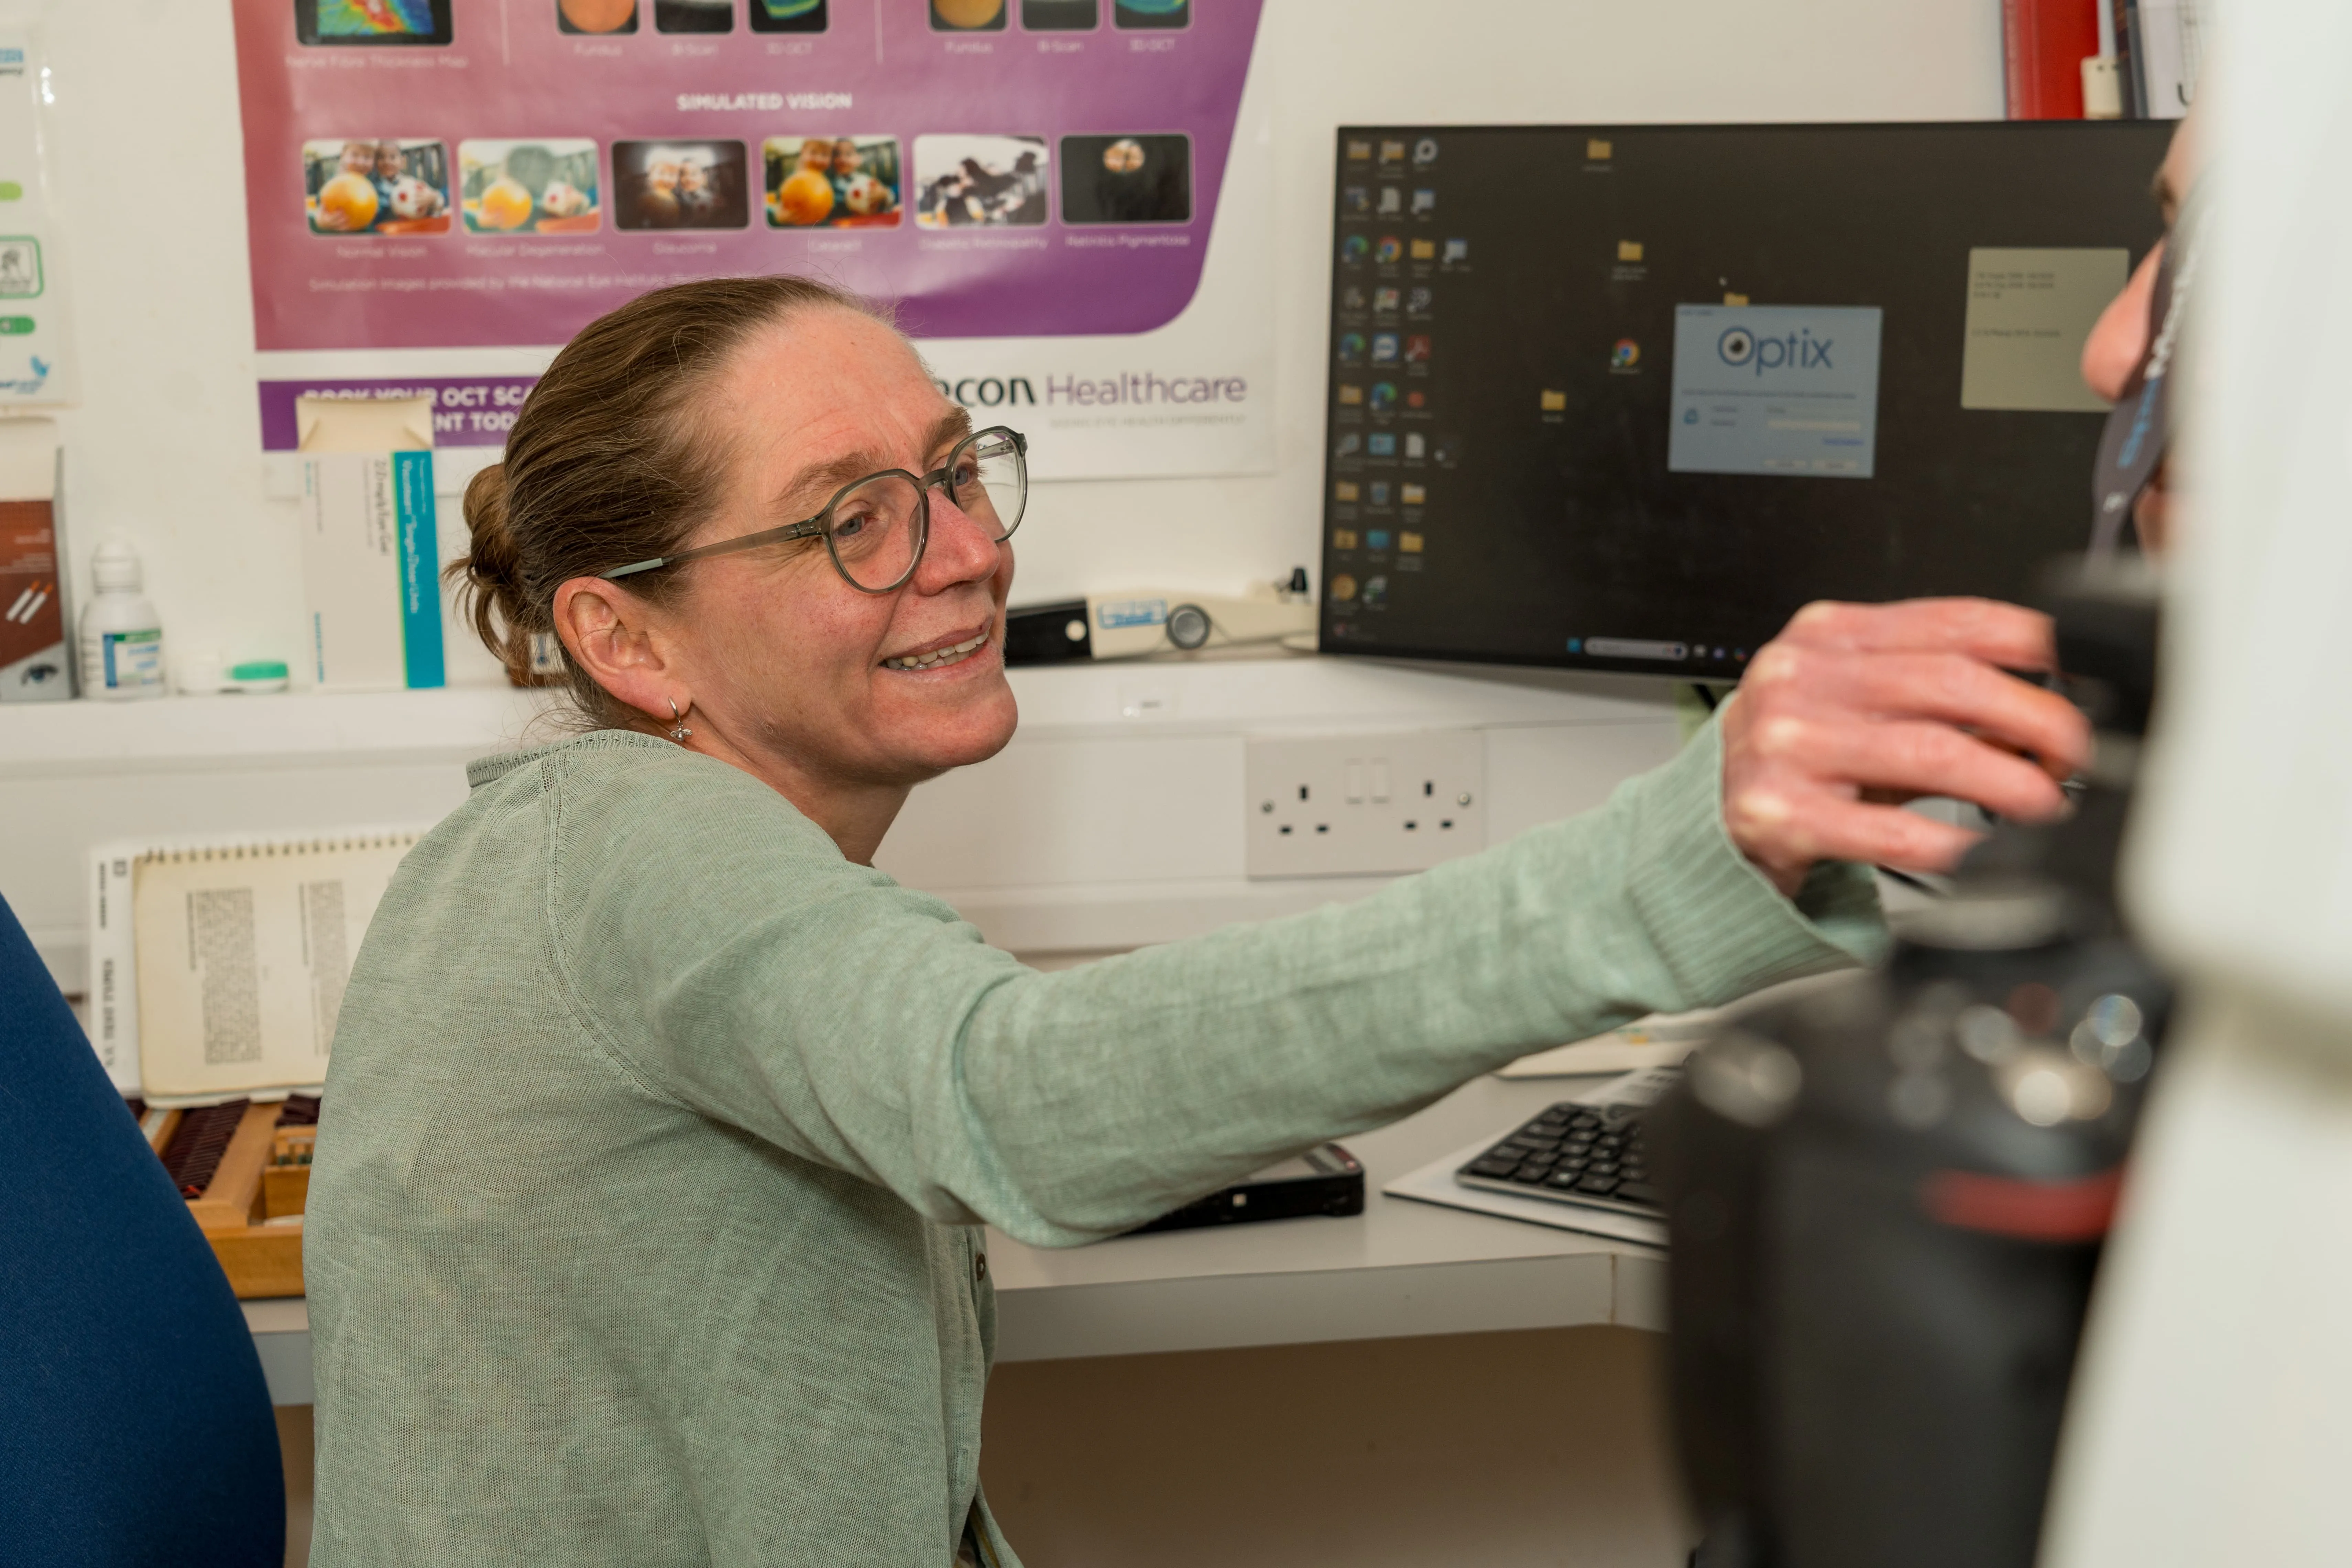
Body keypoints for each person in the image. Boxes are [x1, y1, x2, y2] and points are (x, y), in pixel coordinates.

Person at [305, 273, 2085, 1567]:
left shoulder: (658, 857)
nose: (963, 551)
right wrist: (1669, 861)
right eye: (854, 520)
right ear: (627, 642)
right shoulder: (622, 850)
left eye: (956, 470)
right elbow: (1019, 1101)